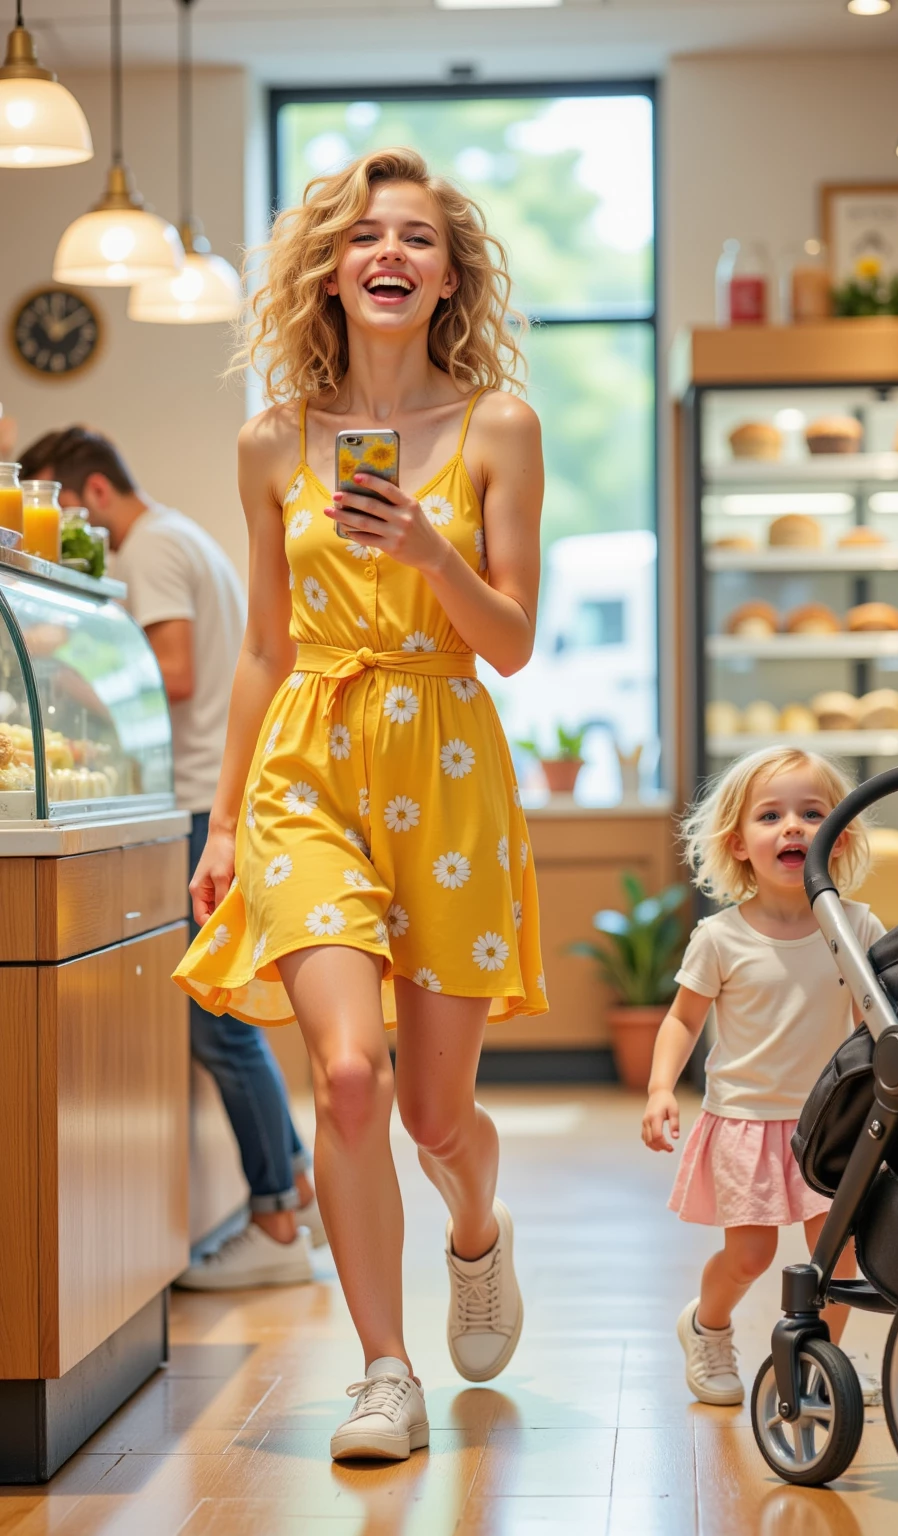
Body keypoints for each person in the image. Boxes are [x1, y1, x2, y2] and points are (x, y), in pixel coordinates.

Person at [171, 146, 547, 1463]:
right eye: (366, 235)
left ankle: (476, 1226)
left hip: (445, 761)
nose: (391, 254)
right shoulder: (273, 438)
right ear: (331, 268)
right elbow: (266, 651)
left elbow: (509, 641)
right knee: (344, 1076)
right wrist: (223, 824)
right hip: (309, 767)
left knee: (436, 1116)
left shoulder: (499, 423)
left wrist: (425, 545)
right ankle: (385, 1370)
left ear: (451, 275)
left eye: (421, 238)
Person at [18, 426, 326, 1288]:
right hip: (207, 797)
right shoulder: (181, 536)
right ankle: (294, 1193)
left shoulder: (150, 549)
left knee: (215, 1022)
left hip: (198, 803)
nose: (67, 524)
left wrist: (58, 665)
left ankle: (274, 1220)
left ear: (96, 492)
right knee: (221, 1016)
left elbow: (175, 672)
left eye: (63, 503)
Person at [641, 746, 885, 1408]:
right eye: (771, 815)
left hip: (830, 1121)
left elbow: (883, 1017)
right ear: (737, 843)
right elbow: (682, 1022)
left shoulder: (857, 927)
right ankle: (707, 1324)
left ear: (841, 836)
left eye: (813, 813)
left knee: (839, 1258)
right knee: (748, 1257)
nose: (794, 828)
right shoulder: (720, 937)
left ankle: (817, 1355)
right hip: (747, 1121)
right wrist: (663, 1087)